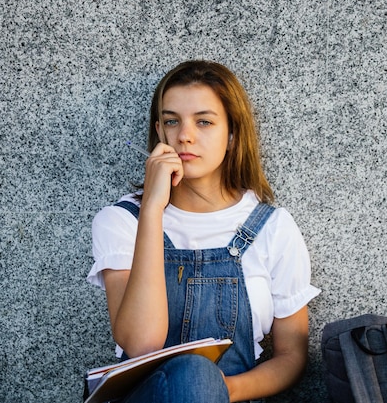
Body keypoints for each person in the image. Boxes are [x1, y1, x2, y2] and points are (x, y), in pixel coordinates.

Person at [87, 60, 320, 402]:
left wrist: (218, 390)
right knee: (193, 373)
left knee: (199, 376)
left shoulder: (272, 228)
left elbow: (292, 357)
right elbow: (141, 343)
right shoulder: (121, 221)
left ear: (232, 135)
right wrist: (152, 208)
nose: (184, 135)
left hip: (232, 397)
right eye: (171, 121)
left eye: (204, 122)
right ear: (159, 132)